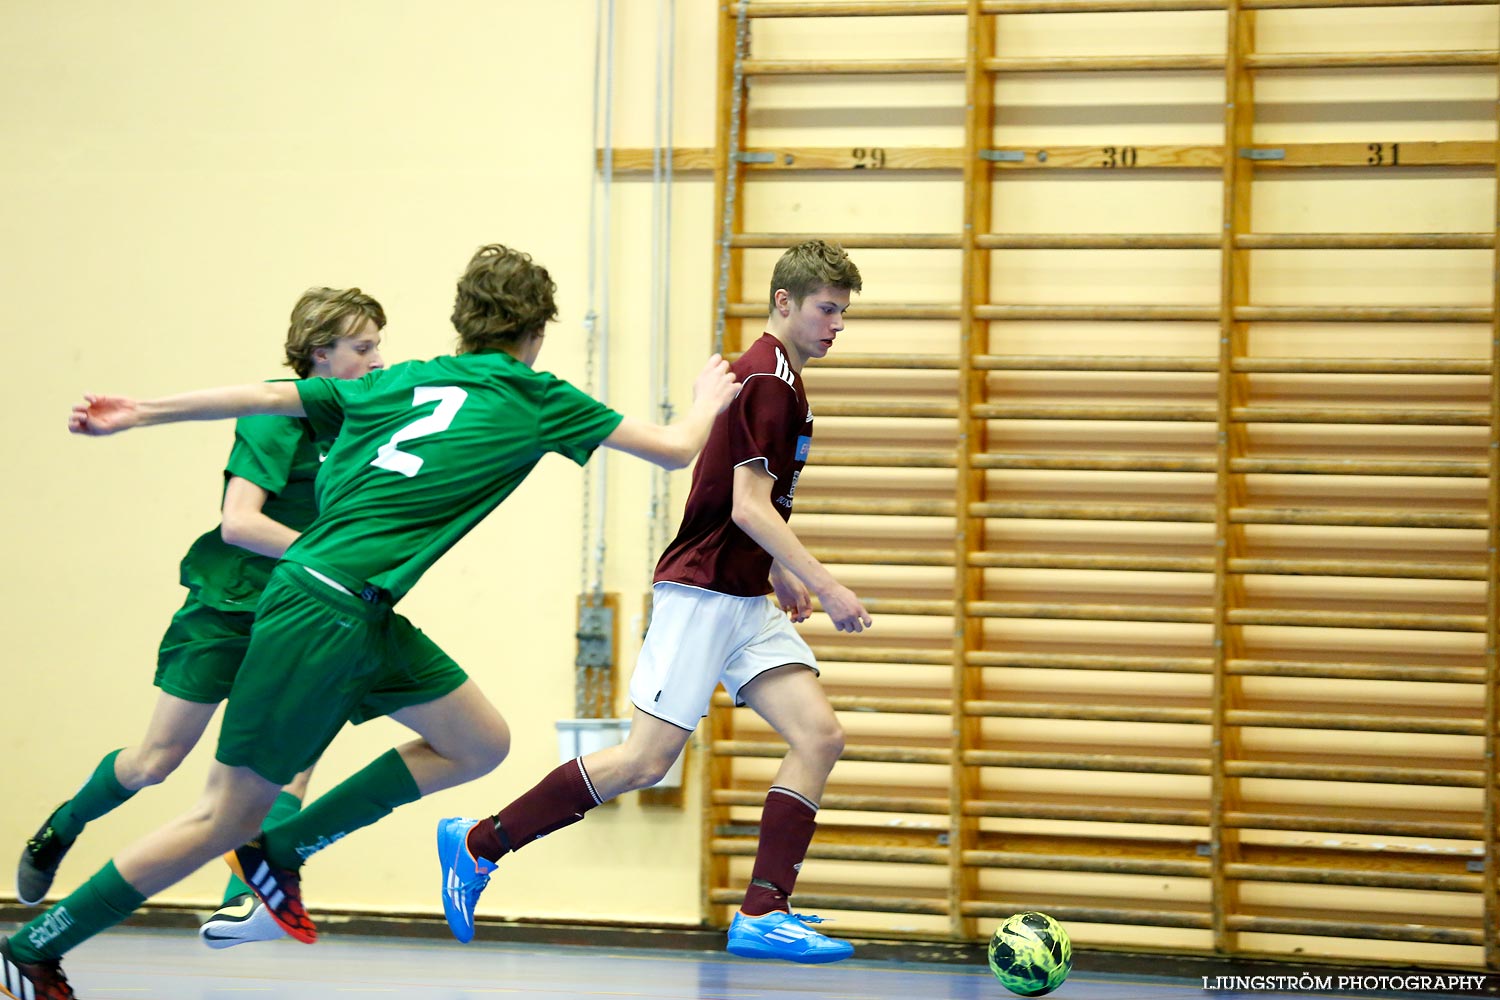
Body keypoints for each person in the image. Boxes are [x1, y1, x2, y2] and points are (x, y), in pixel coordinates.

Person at [0, 243, 738, 1000]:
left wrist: (142, 411)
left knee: (478, 740)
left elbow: (268, 396)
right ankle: (35, 947)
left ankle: (282, 849)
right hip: (321, 608)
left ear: (462, 325)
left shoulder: (403, 379)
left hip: (360, 610)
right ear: (536, 333)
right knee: (222, 816)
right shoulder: (537, 396)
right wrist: (709, 397)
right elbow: (677, 449)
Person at [435, 239, 870, 965]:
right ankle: (480, 843)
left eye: (844, 315)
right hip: (702, 593)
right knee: (643, 761)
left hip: (742, 594)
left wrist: (780, 574)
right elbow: (748, 507)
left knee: (819, 736)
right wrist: (824, 582)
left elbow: (753, 504)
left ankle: (764, 911)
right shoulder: (767, 375)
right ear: (785, 303)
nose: (836, 325)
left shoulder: (783, 376)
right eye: (827, 310)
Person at [15, 286, 387, 951]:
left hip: (300, 612)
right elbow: (240, 524)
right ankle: (61, 828)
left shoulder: (361, 416)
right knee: (154, 760)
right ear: (319, 354)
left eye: (378, 345)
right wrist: (328, 556)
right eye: (363, 348)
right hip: (229, 607)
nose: (377, 360)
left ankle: (244, 900)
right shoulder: (277, 415)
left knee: (289, 760)